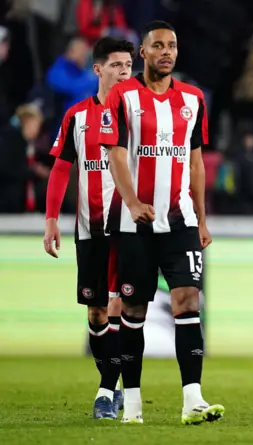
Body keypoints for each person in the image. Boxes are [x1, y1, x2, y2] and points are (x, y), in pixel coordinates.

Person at [98, 20, 223, 425]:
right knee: (132, 309)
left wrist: (202, 219)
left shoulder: (193, 99)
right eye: (158, 46)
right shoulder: (122, 95)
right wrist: (132, 201)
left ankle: (193, 399)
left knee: (188, 300)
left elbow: (197, 161)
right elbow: (115, 153)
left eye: (171, 45)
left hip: (180, 219)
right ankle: (131, 404)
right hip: (135, 223)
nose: (166, 52)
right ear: (143, 53)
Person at [43, 36, 135, 420]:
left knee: (119, 305)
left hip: (129, 229)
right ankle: (110, 386)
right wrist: (51, 220)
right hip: (89, 229)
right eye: (116, 65)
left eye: (129, 66)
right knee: (97, 313)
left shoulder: (141, 115)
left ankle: (104, 393)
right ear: (97, 69)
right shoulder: (77, 116)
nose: (125, 72)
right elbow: (62, 168)